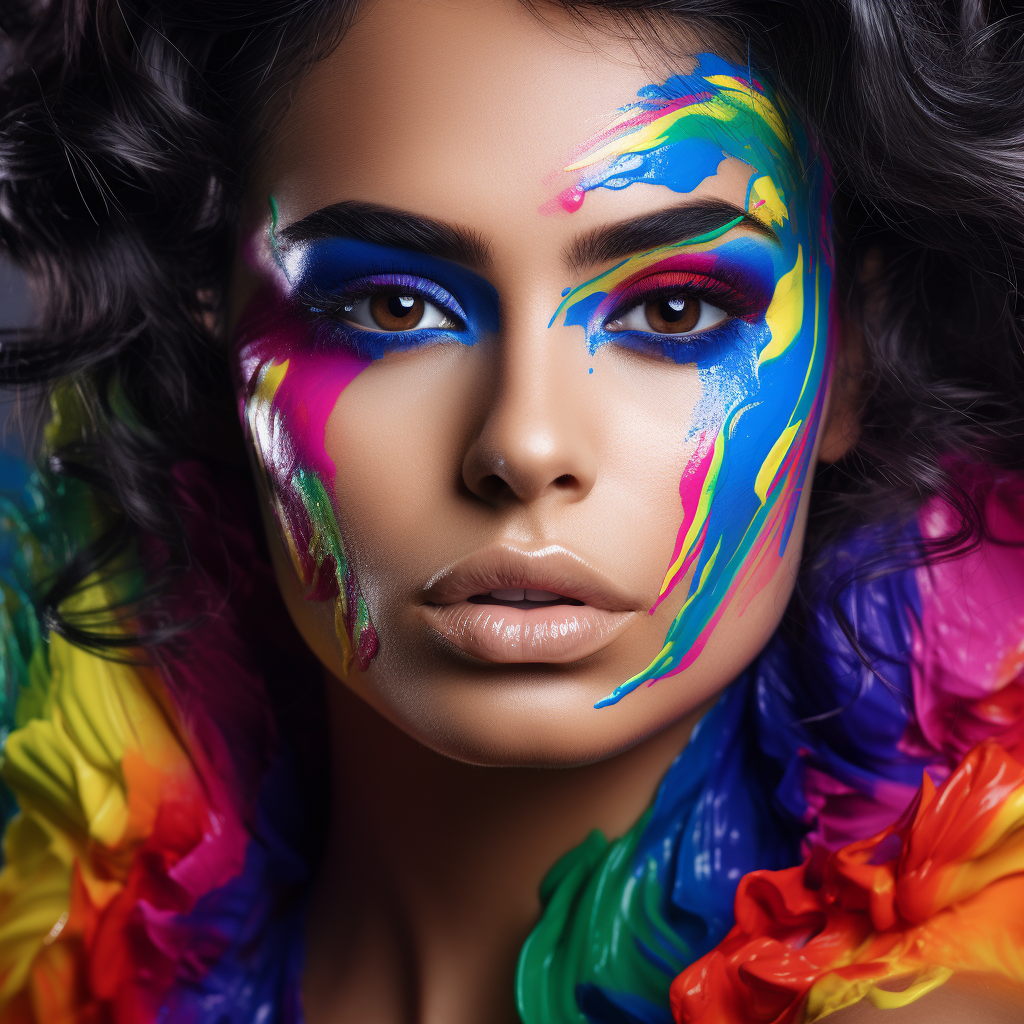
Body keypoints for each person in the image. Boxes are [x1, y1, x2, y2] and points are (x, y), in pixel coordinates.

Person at [0, 1, 1022, 1021]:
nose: (522, 446)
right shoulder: (50, 927)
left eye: (676, 309)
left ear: (846, 360)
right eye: (391, 307)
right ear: (215, 327)